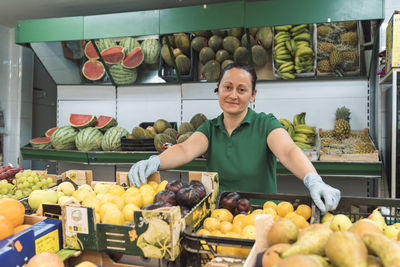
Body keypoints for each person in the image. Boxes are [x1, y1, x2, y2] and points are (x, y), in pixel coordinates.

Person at [128, 63, 340, 214]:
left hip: (261, 214)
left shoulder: (265, 124)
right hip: (221, 216)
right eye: (227, 87)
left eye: (242, 90)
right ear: (218, 89)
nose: (233, 95)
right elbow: (185, 150)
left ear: (253, 95)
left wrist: (313, 180)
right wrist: (155, 161)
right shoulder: (210, 128)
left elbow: (288, 151)